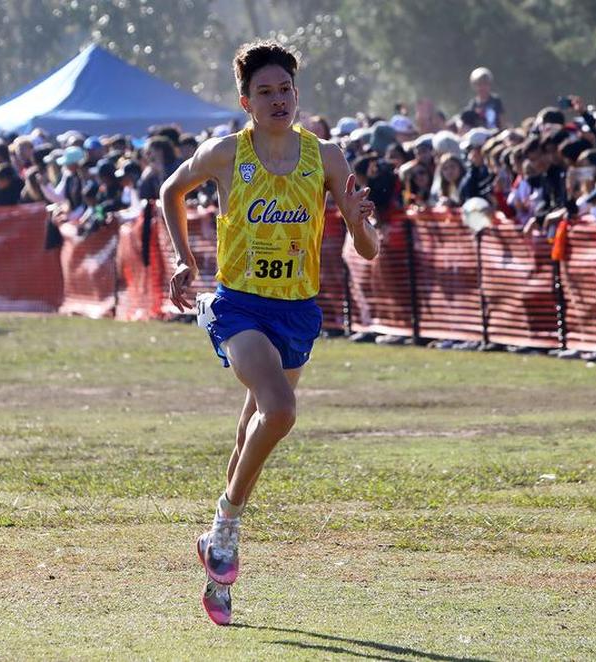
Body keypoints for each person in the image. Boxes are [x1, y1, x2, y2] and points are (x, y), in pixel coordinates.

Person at [159, 40, 378, 627]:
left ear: (297, 95)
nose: (277, 99)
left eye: (285, 90)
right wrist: (183, 259)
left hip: (298, 310)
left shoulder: (325, 157)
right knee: (279, 410)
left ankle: (216, 566)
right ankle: (227, 525)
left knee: (248, 432)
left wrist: (359, 224)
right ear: (245, 101)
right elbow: (170, 191)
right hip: (240, 305)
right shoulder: (227, 154)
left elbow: (369, 249)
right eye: (265, 92)